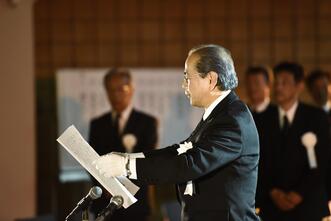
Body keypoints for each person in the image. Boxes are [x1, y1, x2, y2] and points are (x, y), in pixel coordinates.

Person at [94, 44, 260, 221]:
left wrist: (126, 167)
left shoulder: (232, 120)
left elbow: (189, 164)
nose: (183, 85)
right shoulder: (220, 114)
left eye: (187, 78)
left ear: (211, 79)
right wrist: (128, 159)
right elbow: (178, 150)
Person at [260, 62, 330, 221]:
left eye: (284, 82)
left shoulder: (316, 117)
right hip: (273, 207)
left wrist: (299, 193)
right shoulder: (264, 119)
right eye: (276, 82)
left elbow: (323, 159)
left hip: (308, 205)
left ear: (299, 86)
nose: (278, 87)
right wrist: (273, 191)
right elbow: (260, 160)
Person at [88, 68, 158, 221]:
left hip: (135, 203)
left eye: (121, 89)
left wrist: (121, 187)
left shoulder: (147, 123)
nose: (116, 95)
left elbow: (147, 160)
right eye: (111, 90)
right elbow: (92, 160)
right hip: (104, 204)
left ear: (131, 89)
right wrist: (105, 184)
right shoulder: (97, 125)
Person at [244, 65, 277, 214]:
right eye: (249, 83)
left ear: (268, 85)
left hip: (273, 192)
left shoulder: (278, 115)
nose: (252, 88)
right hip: (247, 189)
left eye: (257, 83)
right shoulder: (242, 115)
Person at [306, 69, 331, 203]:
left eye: (324, 86)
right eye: (316, 87)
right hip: (315, 182)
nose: (321, 91)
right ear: (310, 91)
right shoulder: (307, 119)